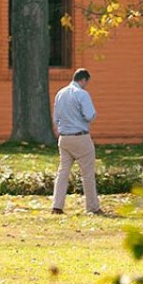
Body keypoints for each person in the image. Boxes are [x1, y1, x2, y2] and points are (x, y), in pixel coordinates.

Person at [52, 68, 104, 215]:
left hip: (64, 138)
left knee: (62, 172)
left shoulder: (60, 94)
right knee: (87, 173)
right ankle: (92, 207)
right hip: (80, 136)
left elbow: (56, 118)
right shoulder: (82, 94)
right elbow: (89, 115)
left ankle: (57, 205)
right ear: (84, 80)